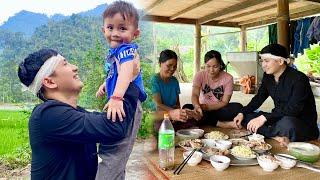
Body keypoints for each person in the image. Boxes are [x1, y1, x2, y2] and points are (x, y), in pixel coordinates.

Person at [17, 49, 140, 180]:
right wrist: (128, 79)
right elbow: (114, 127)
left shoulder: (74, 113)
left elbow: (109, 122)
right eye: (65, 64)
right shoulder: (47, 115)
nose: (75, 67)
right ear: (50, 82)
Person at [94, 1, 146, 180]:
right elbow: (114, 73)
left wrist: (116, 97)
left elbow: (125, 72)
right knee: (115, 156)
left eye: (122, 28)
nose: (115, 33)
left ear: (135, 33)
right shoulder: (115, 53)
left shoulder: (126, 50)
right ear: (103, 30)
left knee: (114, 153)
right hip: (122, 102)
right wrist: (105, 85)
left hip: (127, 104)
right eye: (110, 27)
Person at [233, 44, 319, 146]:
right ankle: (276, 136)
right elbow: (259, 98)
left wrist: (264, 118)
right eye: (262, 61)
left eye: (267, 61)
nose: (263, 65)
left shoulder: (299, 79)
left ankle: (270, 133)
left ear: (280, 61)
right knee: (248, 117)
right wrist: (242, 113)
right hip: (278, 118)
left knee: (287, 124)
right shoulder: (268, 76)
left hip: (299, 123)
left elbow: (293, 109)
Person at [189, 50, 243, 128]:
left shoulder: (228, 78)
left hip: (219, 109)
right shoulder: (199, 75)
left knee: (238, 107)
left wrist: (207, 107)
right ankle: (223, 124)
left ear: (220, 65)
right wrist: (197, 106)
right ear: (204, 65)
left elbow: (224, 102)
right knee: (187, 107)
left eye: (215, 66)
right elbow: (195, 94)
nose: (211, 70)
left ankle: (206, 120)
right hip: (201, 109)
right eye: (208, 66)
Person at [151, 49, 197, 132]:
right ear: (160, 64)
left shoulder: (174, 81)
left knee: (193, 118)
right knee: (159, 127)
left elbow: (177, 104)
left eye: (175, 66)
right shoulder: (154, 80)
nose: (172, 69)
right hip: (160, 115)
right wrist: (173, 113)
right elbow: (158, 105)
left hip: (173, 115)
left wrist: (181, 112)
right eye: (169, 65)